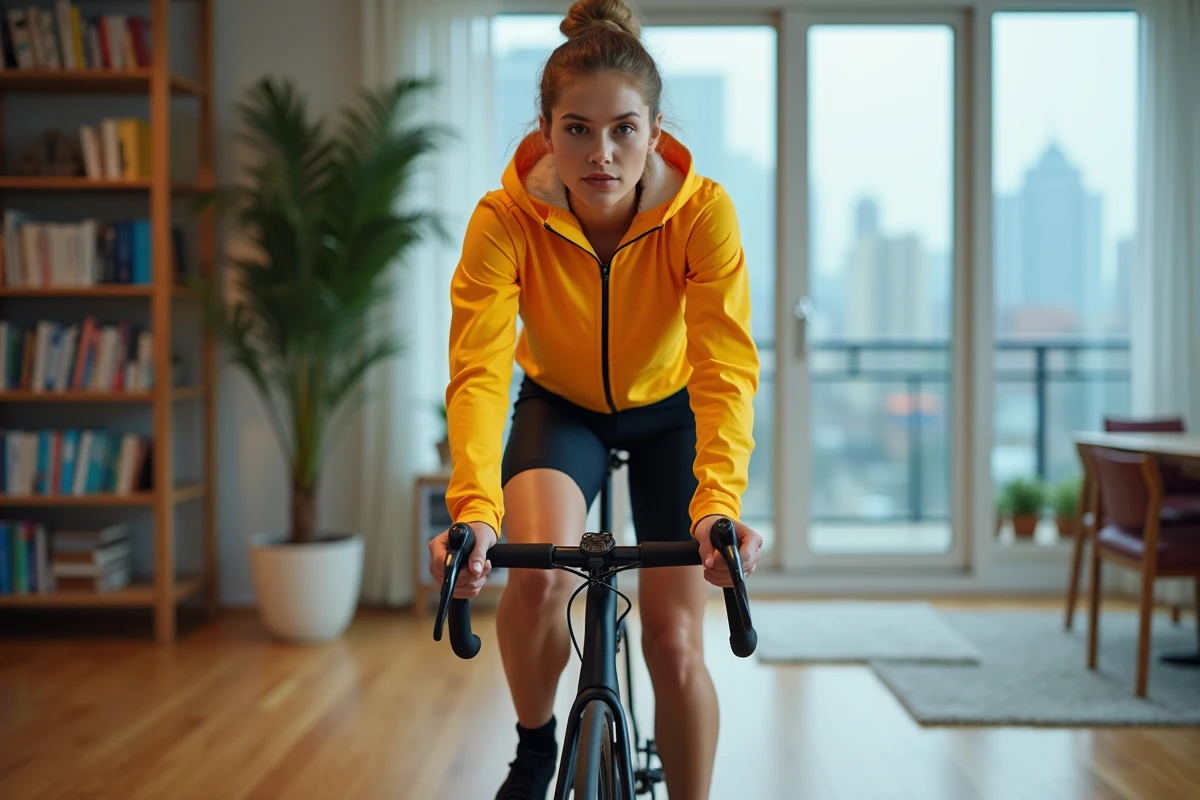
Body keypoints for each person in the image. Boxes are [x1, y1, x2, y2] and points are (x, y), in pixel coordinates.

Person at [428, 0, 762, 797]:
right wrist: (474, 514)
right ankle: (537, 743)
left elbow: (725, 367)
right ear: (546, 130)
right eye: (576, 129)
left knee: (675, 645)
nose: (601, 153)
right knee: (539, 577)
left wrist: (716, 506)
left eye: (623, 129)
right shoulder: (505, 219)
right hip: (560, 407)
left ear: (653, 132)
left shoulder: (703, 214)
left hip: (670, 414)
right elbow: (478, 371)